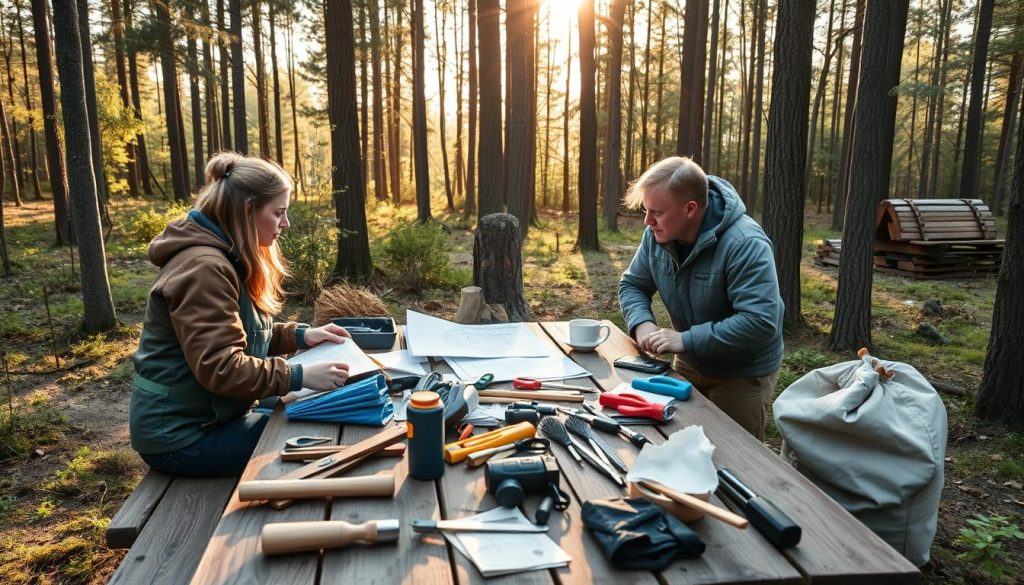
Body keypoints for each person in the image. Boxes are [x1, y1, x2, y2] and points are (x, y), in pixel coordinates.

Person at [130, 152, 352, 477]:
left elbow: (241, 332)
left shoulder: (229, 254)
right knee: (317, 438)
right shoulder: (205, 268)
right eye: (278, 213)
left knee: (313, 421)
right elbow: (221, 367)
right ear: (248, 210)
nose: (285, 224)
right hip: (182, 438)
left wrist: (299, 335)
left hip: (213, 417)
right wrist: (298, 375)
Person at [618, 156, 784, 440]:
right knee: (679, 441)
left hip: (742, 374)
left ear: (690, 209)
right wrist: (642, 324)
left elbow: (760, 321)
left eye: (656, 212)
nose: (648, 221)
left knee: (735, 459)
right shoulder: (657, 234)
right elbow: (633, 284)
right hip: (689, 361)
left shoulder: (745, 243)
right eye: (646, 211)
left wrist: (685, 339)